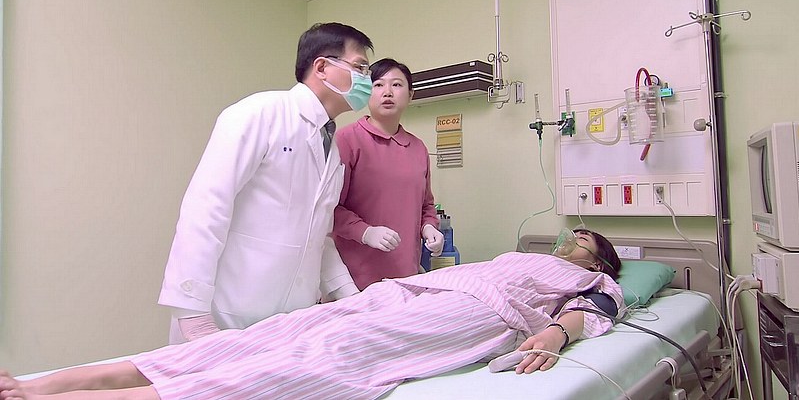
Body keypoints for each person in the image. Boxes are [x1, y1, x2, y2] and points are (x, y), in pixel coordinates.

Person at [0, 230, 622, 400]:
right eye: (571, 235)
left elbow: (593, 310)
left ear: (599, 260)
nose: (571, 240)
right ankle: (36, 384)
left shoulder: (593, 280)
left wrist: (554, 333)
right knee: (265, 334)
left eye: (585, 240)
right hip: (410, 288)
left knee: (326, 357)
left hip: (474, 312)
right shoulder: (518, 253)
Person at [157, 22, 374, 344]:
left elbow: (318, 235)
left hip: (290, 320)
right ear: (322, 68)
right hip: (226, 314)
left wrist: (349, 295)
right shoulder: (260, 113)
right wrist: (192, 311)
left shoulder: (332, 147)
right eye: (359, 67)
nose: (366, 80)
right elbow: (206, 207)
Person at [331, 58, 443, 290]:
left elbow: (426, 205)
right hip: (354, 281)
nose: (387, 92)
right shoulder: (347, 140)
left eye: (397, 85)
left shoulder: (418, 148)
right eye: (378, 85)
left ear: (410, 95)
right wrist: (365, 232)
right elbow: (330, 208)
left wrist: (429, 227)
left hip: (406, 275)